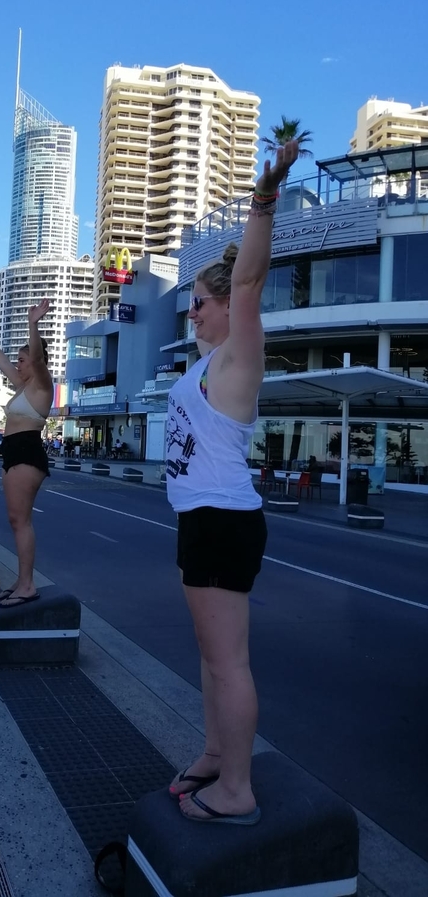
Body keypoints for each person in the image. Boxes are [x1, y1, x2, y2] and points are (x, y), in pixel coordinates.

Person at [165, 141, 299, 826]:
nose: (193, 315)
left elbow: (248, 280)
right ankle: (216, 752)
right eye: (190, 306)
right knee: (211, 656)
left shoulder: (239, 352)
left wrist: (263, 199)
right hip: (202, 518)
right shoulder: (204, 363)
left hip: (223, 518)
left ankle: (238, 789)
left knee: (229, 661)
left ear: (224, 306)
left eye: (200, 304)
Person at [0, 300, 53, 607]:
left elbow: (37, 359)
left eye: (22, 360)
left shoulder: (41, 384)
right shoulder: (22, 387)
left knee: (20, 520)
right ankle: (22, 581)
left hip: (27, 451)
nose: (19, 364)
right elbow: (3, 364)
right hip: (12, 451)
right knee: (15, 520)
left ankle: (28, 585)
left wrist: (33, 324)